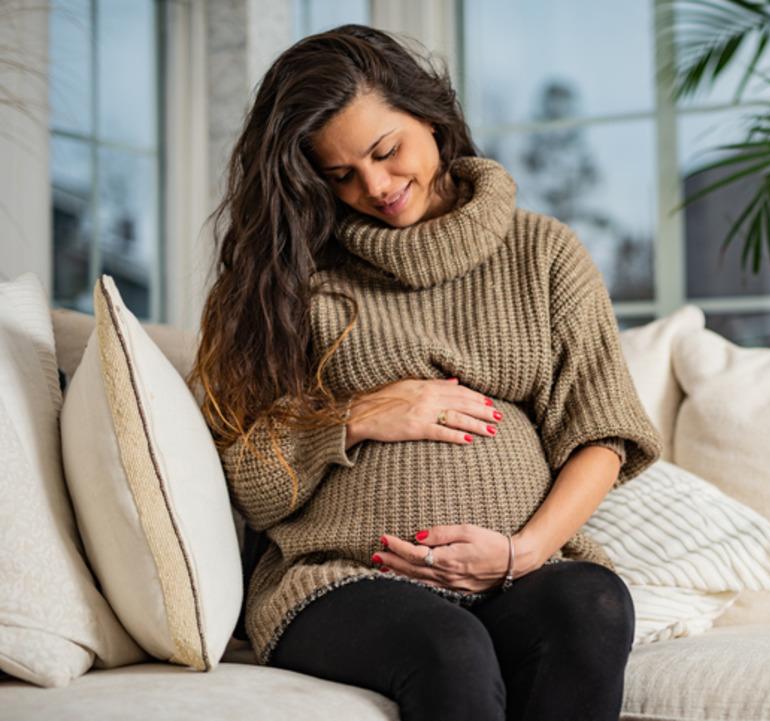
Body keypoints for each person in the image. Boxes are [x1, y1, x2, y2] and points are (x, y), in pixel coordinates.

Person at [190, 23, 662, 721]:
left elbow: (602, 435)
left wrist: (520, 552)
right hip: (340, 580)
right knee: (451, 649)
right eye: (340, 174)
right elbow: (252, 484)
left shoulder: (544, 254)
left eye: (386, 151)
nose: (375, 186)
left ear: (433, 118)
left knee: (593, 601)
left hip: (516, 574)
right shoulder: (294, 283)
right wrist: (354, 417)